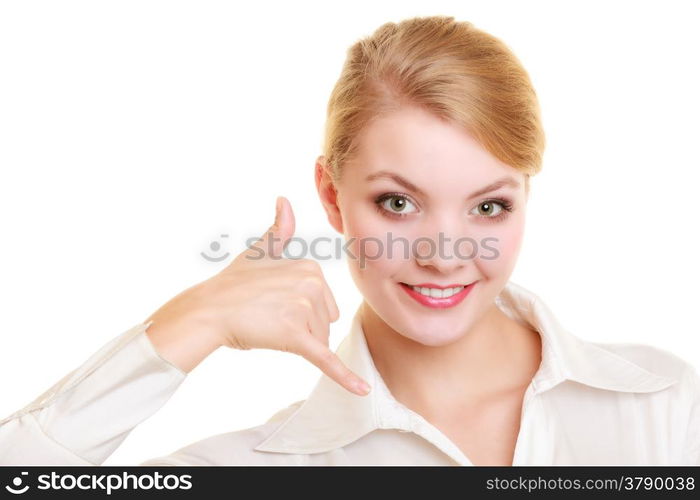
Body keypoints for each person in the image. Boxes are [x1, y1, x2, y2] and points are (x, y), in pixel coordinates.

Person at [1, 15, 698, 466]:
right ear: (332, 195)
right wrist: (189, 324)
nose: (445, 255)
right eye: (398, 203)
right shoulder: (247, 471)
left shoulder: (662, 406)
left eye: (488, 206)